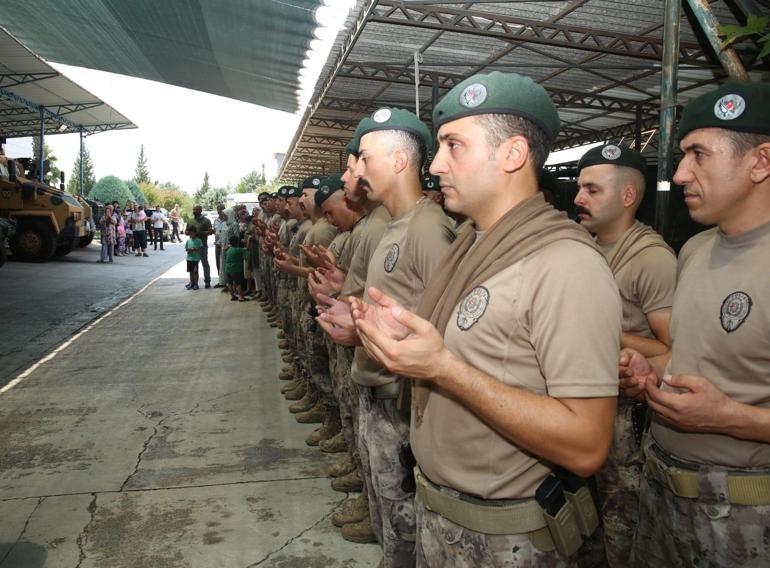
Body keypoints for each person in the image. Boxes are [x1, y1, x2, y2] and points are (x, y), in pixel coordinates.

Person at [352, 72, 621, 566]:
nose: (435, 165)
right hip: (446, 520)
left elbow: (586, 445)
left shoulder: (564, 263)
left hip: (508, 542)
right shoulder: (474, 245)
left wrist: (442, 368)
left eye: (454, 146)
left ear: (513, 155)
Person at [622, 81, 770, 567]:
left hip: (745, 517)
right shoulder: (695, 249)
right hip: (662, 491)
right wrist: (648, 372)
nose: (680, 173)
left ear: (761, 162)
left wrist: (733, 418)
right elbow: (682, 354)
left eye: (698, 155)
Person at [337, 107, 456, 567]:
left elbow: (444, 329)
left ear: (399, 162)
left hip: (402, 396)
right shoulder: (395, 224)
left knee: (405, 510)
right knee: (389, 505)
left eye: (365, 158)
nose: (358, 169)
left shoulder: (428, 229)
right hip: (380, 386)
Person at [574, 143, 677, 566]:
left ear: (628, 196)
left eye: (592, 190)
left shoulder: (651, 260)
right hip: (583, 407)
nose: (578, 198)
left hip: (625, 426)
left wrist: (605, 336)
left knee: (624, 528)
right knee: (587, 525)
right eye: (580, 188)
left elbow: (676, 350)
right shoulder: (583, 246)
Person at [186, 205, 214, 288]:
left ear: (201, 210)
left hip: (202, 246)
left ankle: (207, 282)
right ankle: (193, 282)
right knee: (193, 265)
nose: (195, 211)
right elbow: (186, 232)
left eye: (197, 209)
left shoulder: (206, 221)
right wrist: (191, 233)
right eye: (194, 209)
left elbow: (210, 232)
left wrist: (198, 233)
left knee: (205, 264)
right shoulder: (190, 220)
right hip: (192, 247)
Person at [224, 234, 248, 301]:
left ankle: (232, 296)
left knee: (230, 284)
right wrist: (249, 241)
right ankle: (240, 297)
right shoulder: (237, 250)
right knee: (238, 283)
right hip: (235, 270)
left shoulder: (228, 250)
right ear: (237, 242)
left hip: (228, 269)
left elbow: (224, 249)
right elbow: (247, 248)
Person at [214, 210, 230, 288]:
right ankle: (223, 282)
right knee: (222, 265)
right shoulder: (223, 224)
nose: (223, 217)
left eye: (225, 215)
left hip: (229, 248)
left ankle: (229, 285)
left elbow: (235, 237)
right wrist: (218, 242)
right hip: (222, 248)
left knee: (229, 267)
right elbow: (219, 234)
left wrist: (229, 245)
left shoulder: (233, 224)